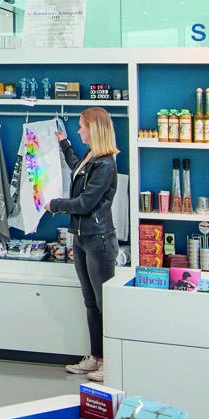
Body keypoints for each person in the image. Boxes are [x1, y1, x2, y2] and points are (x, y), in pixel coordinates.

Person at [47, 106, 122, 381]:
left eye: (82, 126)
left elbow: (85, 203)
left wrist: (55, 204)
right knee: (91, 302)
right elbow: (75, 166)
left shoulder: (106, 164)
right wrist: (63, 143)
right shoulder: (91, 157)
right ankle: (96, 357)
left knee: (104, 305)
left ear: (94, 129)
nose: (79, 131)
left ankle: (110, 362)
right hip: (81, 238)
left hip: (99, 240)